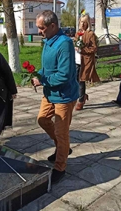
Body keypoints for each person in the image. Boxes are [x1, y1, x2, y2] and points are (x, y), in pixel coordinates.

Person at [32, 10, 78, 184]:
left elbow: (64, 75)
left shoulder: (64, 43)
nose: (39, 31)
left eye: (41, 28)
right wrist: (38, 74)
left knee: (61, 132)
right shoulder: (48, 41)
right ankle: (62, 148)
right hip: (50, 93)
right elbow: (48, 68)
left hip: (64, 95)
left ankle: (60, 167)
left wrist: (43, 81)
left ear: (53, 26)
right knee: (42, 119)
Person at [74, 14, 100, 110]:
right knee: (76, 80)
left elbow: (94, 48)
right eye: (81, 22)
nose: (82, 24)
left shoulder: (90, 34)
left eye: (85, 22)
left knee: (81, 80)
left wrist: (83, 50)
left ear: (88, 23)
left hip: (86, 61)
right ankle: (83, 95)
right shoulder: (77, 33)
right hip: (77, 59)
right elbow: (75, 43)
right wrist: (75, 46)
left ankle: (80, 101)